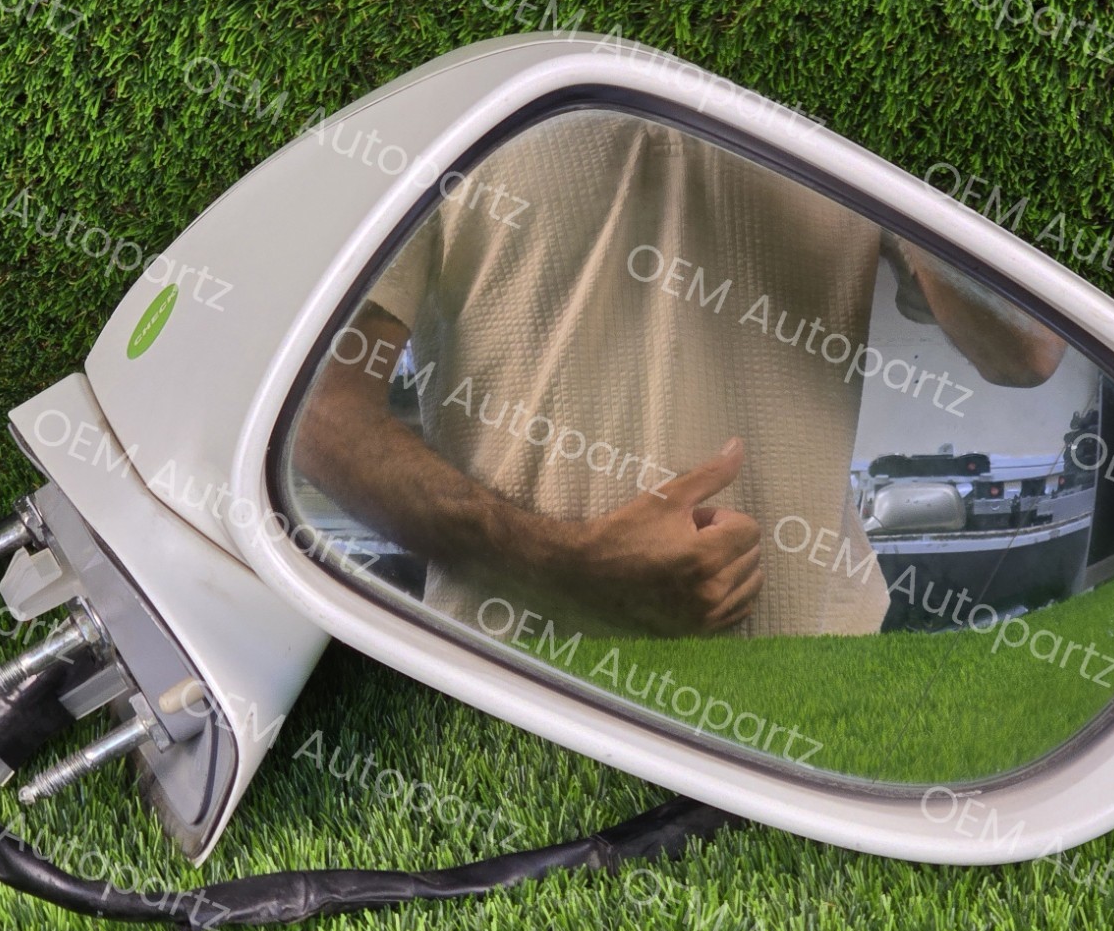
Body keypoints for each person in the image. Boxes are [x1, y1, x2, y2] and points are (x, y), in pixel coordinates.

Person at [292, 108, 1065, 640]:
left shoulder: (850, 52)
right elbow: (318, 415)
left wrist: (873, 107)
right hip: (521, 678)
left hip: (819, 667)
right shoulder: (473, 65)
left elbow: (1027, 348)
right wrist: (561, 566)